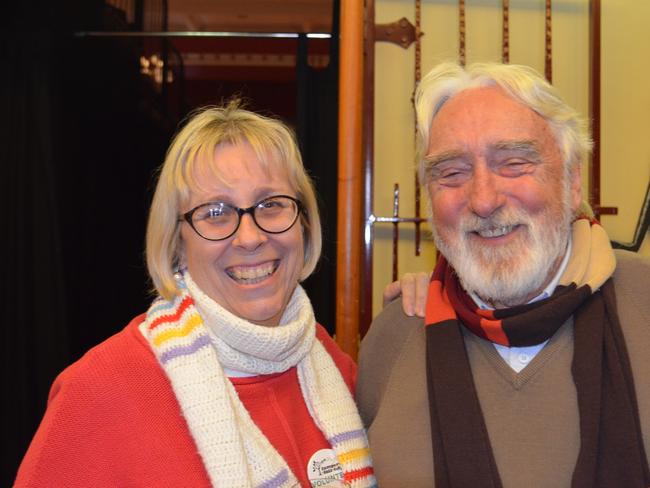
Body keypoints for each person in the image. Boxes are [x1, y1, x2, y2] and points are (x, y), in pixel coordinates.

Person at [16, 102, 376, 487]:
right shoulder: (100, 390)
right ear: (176, 243)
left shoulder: (332, 365)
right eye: (215, 212)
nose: (251, 237)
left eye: (271, 204)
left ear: (303, 223)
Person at [356, 61, 650, 488]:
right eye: (452, 173)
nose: (484, 200)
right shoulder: (394, 338)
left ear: (571, 181)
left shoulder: (643, 302)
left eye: (513, 163)